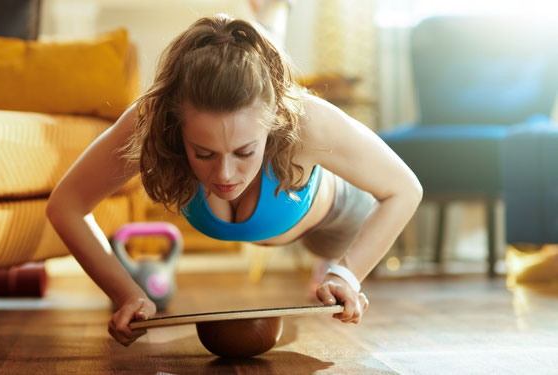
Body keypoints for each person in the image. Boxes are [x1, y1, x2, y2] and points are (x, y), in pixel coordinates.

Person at [46, 14, 422, 347]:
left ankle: (273, 17)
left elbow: (404, 189)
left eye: (244, 152)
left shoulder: (309, 121)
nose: (224, 176)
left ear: (273, 121)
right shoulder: (151, 121)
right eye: (203, 154)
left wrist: (346, 273)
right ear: (176, 130)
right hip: (283, 217)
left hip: (335, 216)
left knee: (325, 254)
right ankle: (270, 16)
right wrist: (126, 292)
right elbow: (66, 205)